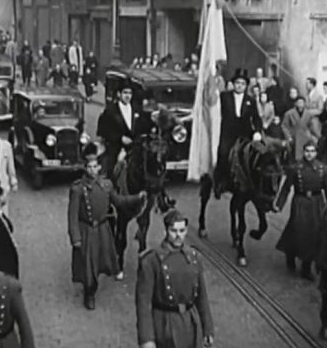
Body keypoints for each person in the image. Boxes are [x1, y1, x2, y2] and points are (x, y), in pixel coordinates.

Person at [68, 143, 146, 309]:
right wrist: (75, 237)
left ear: (99, 167)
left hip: (103, 229)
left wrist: (136, 198)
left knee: (101, 260)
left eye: (95, 166)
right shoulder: (78, 189)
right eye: (89, 167)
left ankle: (94, 284)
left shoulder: (107, 185)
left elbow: (118, 201)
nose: (92, 170)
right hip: (87, 229)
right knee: (89, 264)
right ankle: (90, 293)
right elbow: (72, 215)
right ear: (85, 168)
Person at [136, 209, 214, 348]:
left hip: (190, 323)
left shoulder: (194, 257)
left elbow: (202, 296)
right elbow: (143, 303)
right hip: (165, 323)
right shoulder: (151, 261)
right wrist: (147, 339)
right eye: (174, 231)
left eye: (182, 230)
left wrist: (207, 328)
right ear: (166, 230)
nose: (178, 235)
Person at [272, 141, 327, 280]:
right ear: (303, 152)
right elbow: (286, 188)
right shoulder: (296, 168)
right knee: (297, 229)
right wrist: (279, 204)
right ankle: (291, 253)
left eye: (312, 151)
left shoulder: (324, 169)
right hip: (300, 201)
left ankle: (306, 267)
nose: (309, 154)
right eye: (307, 151)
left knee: (315, 233)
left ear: (316, 153)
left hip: (317, 203)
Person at [214, 76, 262, 197]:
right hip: (228, 132)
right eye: (237, 83)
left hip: (244, 133)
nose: (240, 86)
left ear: (246, 86)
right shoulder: (224, 97)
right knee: (223, 153)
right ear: (233, 84)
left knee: (257, 154)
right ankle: (221, 182)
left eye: (242, 83)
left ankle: (254, 182)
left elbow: (256, 118)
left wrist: (257, 131)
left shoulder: (250, 100)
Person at [98, 82, 142, 180]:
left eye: (130, 93)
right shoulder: (110, 111)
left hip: (134, 147)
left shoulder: (137, 109)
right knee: (113, 169)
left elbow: (141, 127)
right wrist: (120, 138)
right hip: (116, 147)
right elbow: (103, 130)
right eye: (125, 93)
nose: (127, 96)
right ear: (119, 94)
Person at [282, 96, 320, 161]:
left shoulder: (308, 113)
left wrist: (314, 136)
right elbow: (284, 126)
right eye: (299, 102)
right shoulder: (289, 113)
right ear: (295, 103)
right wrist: (288, 136)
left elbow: (311, 126)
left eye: (302, 102)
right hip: (293, 136)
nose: (300, 104)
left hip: (305, 135)